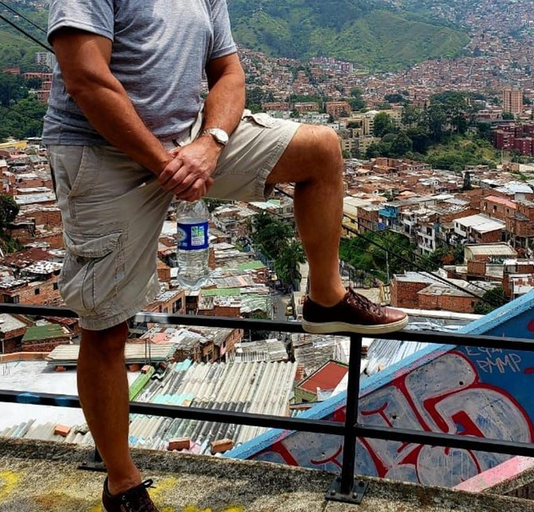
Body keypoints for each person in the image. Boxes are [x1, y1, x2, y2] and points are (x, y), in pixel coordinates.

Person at [44, 1, 408, 510]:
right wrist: (166, 162)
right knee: (106, 327)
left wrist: (210, 144)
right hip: (102, 151)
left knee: (320, 149)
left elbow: (229, 72)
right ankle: (122, 483)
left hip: (190, 138)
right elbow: (86, 78)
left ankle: (326, 297)